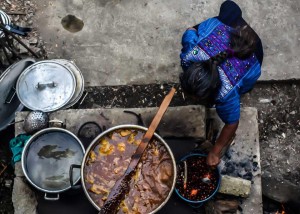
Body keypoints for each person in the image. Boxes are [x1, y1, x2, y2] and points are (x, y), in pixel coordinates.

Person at [179, 1, 263, 167]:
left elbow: (232, 123)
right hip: (226, 30)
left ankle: (237, 21)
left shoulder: (226, 93)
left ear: (213, 92)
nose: (189, 98)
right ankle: (234, 17)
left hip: (252, 49)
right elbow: (189, 32)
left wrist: (216, 150)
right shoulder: (190, 55)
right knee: (228, 9)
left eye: (194, 96)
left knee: (244, 86)